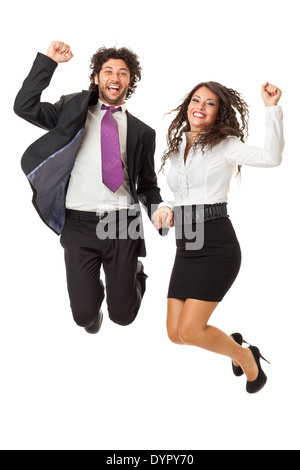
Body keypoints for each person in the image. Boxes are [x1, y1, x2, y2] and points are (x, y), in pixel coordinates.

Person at [14, 41, 172, 334]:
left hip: (122, 225)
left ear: (130, 81)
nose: (115, 77)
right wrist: (49, 62)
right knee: (84, 316)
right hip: (79, 224)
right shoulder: (73, 109)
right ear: (97, 77)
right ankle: (94, 303)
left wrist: (159, 209)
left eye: (123, 73)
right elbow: (24, 106)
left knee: (123, 316)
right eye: (108, 71)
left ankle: (135, 273)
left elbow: (147, 184)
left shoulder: (143, 132)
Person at [152, 81, 284, 394]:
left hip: (216, 245)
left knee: (192, 330)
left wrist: (271, 109)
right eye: (196, 100)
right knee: (175, 333)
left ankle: (245, 357)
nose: (200, 106)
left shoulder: (226, 145)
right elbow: (180, 195)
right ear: (187, 106)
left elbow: (272, 157)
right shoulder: (176, 146)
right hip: (186, 245)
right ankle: (235, 346)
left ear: (218, 112)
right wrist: (164, 210)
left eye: (209, 103)